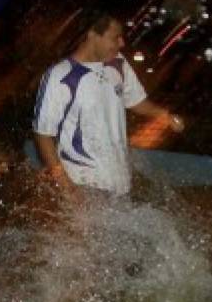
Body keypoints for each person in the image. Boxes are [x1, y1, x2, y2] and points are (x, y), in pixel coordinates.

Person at [34, 11, 184, 196]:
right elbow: (43, 134)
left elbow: (136, 101)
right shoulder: (60, 76)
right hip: (83, 183)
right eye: (115, 37)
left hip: (119, 182)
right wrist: (66, 187)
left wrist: (165, 116)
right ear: (92, 34)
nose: (121, 43)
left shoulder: (118, 64)